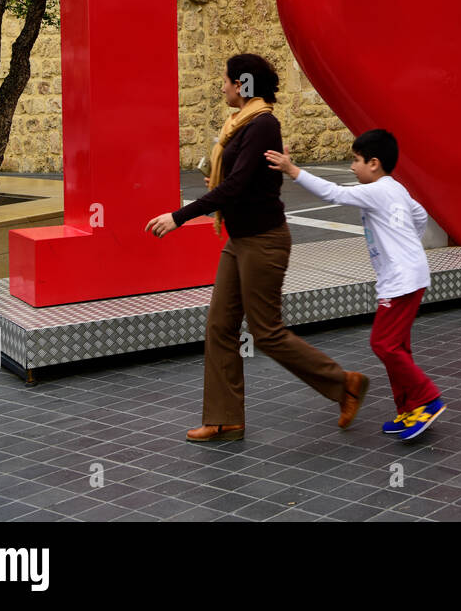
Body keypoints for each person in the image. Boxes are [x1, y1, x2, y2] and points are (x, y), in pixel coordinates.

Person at [144, 53, 370, 442]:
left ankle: (344, 383)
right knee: (219, 326)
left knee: (266, 332)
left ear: (243, 85)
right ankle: (224, 417)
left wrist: (179, 217)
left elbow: (237, 186)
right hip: (240, 239)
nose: (223, 86)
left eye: (228, 80)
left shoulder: (264, 125)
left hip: (264, 240)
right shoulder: (238, 124)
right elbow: (232, 178)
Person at [265, 129, 445, 441]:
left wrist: (293, 170)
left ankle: (427, 399)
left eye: (355, 160)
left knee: (383, 344)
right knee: (397, 346)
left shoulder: (376, 191)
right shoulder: (396, 189)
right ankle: (408, 410)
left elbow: (334, 194)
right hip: (409, 276)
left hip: (401, 280)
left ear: (374, 163)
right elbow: (420, 215)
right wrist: (409, 247)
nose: (351, 166)